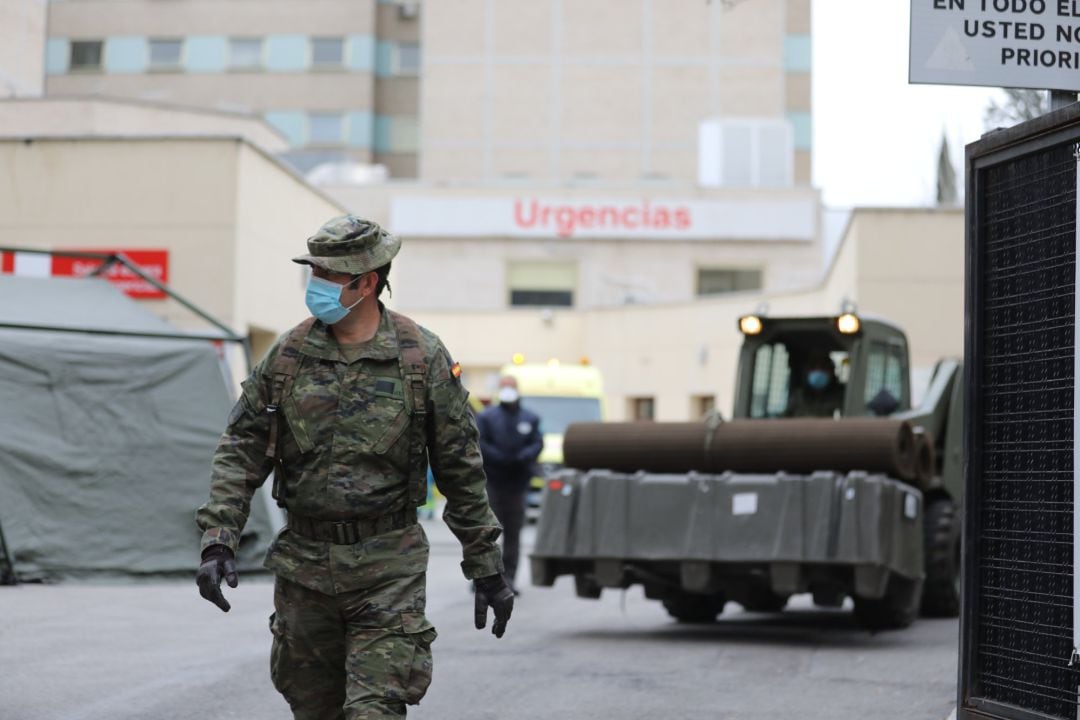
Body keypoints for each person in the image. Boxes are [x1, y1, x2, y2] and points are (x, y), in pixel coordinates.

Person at [195, 215, 514, 720]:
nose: (315, 284)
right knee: (314, 710)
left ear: (367, 282)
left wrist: (487, 566)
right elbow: (241, 447)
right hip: (304, 570)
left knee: (374, 711)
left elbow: (460, 468)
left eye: (328, 275)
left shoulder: (421, 358)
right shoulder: (288, 356)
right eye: (313, 272)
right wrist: (219, 538)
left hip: (388, 569)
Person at [476, 376, 543, 593]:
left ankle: (509, 578)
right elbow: (481, 442)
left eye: (510, 387)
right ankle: (485, 576)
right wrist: (500, 457)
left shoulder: (530, 418)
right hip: (493, 482)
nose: (507, 391)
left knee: (513, 534)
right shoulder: (487, 417)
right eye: (504, 387)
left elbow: (537, 442)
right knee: (488, 533)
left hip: (517, 484)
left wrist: (522, 457)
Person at [785, 350, 844, 418]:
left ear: (832, 371)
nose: (818, 371)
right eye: (814, 368)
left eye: (823, 368)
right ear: (807, 371)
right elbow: (784, 420)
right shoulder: (798, 397)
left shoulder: (840, 397)